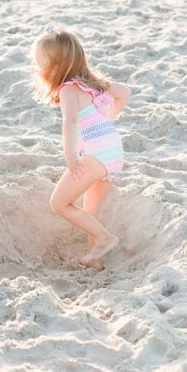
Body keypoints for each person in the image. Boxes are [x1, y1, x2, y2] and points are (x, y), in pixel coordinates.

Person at [33, 27, 132, 270]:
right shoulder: (93, 85)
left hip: (95, 153)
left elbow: (70, 121)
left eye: (41, 64)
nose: (38, 70)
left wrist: (69, 155)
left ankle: (105, 238)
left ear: (57, 65)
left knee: (60, 203)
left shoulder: (68, 88)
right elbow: (124, 93)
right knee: (91, 210)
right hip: (114, 152)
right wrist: (107, 118)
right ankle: (94, 260)